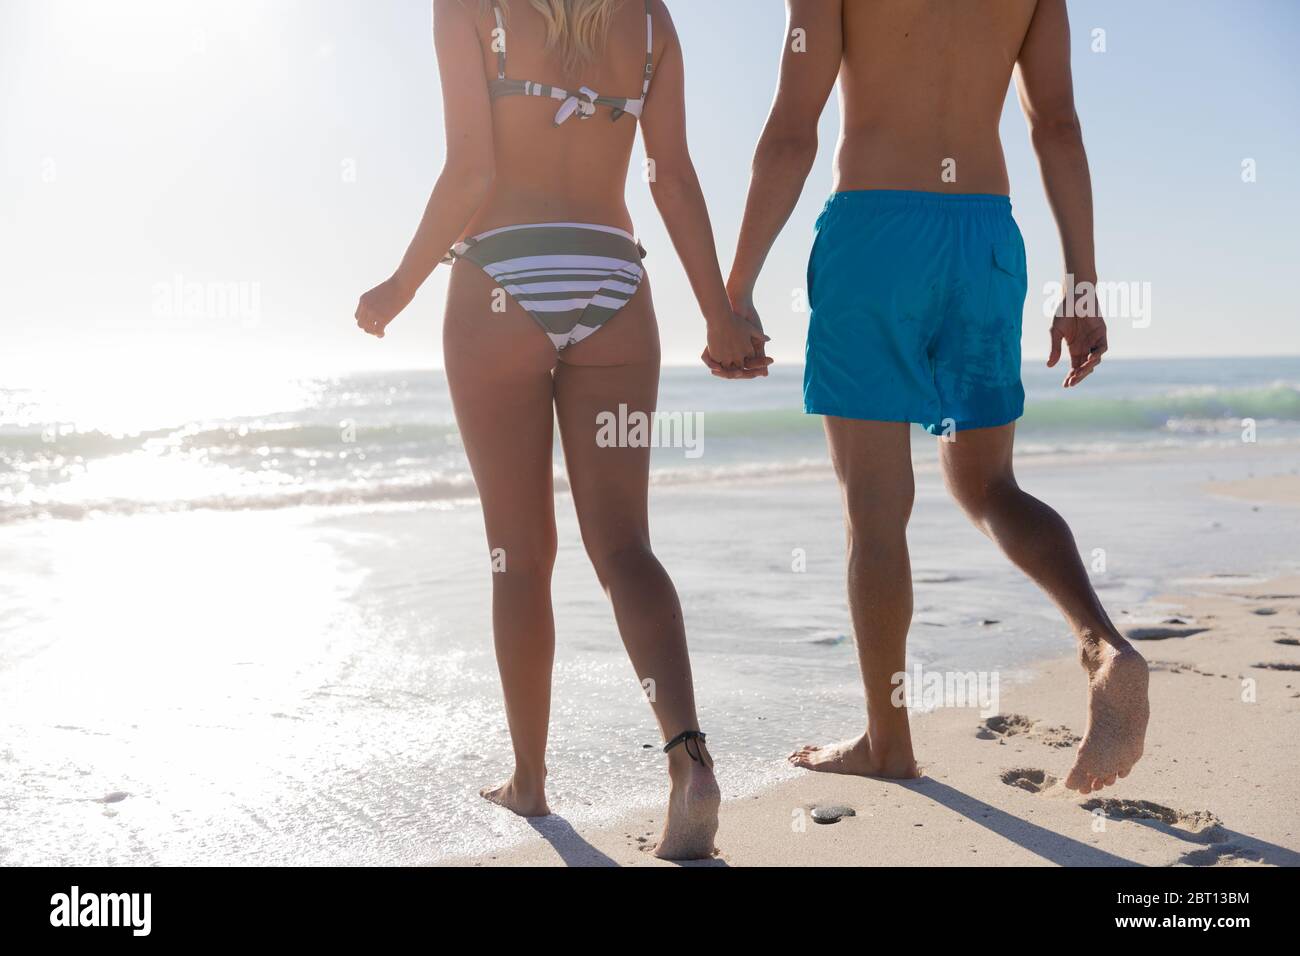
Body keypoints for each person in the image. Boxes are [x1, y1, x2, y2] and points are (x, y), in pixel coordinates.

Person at [354, 0, 765, 858]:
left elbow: (470, 171)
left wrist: (398, 285)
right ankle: (689, 759)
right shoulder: (649, 22)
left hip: (502, 273)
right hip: (615, 280)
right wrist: (721, 314)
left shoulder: (469, 9)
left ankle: (532, 780)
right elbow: (673, 174)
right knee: (624, 548)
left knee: (518, 552)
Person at [724, 0, 1148, 794]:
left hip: (875, 233)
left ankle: (888, 743)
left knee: (875, 509)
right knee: (988, 485)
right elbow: (1057, 127)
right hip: (983, 237)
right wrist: (1082, 283)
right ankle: (1102, 645)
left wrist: (736, 288)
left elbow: (791, 130)